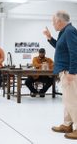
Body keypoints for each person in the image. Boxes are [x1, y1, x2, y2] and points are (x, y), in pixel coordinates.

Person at [43, 10, 77, 139]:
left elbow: (75, 52)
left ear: (59, 21)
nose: (53, 24)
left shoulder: (69, 31)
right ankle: (67, 124)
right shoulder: (65, 32)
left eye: (53, 22)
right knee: (68, 100)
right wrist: (49, 37)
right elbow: (60, 47)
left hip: (69, 72)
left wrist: (73, 72)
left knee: (72, 101)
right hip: (65, 71)